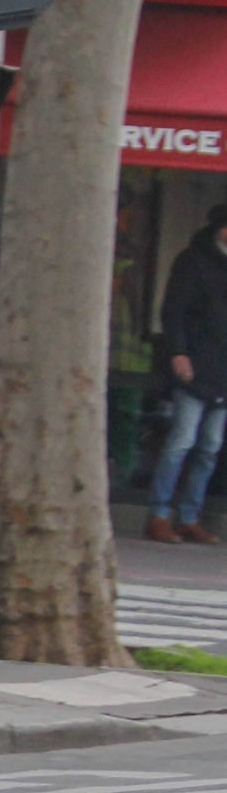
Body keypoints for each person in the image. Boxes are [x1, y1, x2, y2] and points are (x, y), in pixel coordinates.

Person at [148, 203, 227, 544]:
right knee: (181, 442)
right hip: (196, 366)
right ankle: (159, 514)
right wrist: (178, 352)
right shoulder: (193, 261)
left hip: (222, 370)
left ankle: (189, 516)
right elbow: (174, 311)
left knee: (209, 447)